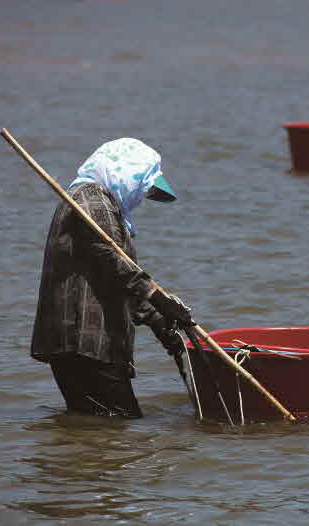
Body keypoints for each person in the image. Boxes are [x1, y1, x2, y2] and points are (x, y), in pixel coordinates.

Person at [30, 138, 195, 418]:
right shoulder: (92, 199)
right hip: (85, 341)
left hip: (77, 343)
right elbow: (112, 258)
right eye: (142, 187)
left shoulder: (98, 203)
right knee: (121, 423)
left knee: (93, 426)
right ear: (127, 175)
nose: (141, 198)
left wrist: (159, 323)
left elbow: (117, 279)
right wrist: (159, 297)